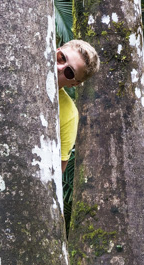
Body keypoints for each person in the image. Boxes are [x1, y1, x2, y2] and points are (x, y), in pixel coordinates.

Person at [55, 40, 100, 172]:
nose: (59, 68)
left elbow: (57, 171)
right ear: (57, 50)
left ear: (73, 84)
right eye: (61, 58)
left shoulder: (69, 114)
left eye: (69, 72)